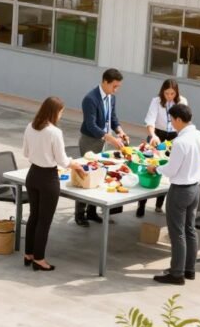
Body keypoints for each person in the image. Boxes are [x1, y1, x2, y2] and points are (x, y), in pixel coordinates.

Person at [22, 97, 86, 272]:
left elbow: (26, 153)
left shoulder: (30, 126)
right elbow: (62, 160)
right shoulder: (54, 132)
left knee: (34, 216)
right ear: (54, 112)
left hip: (32, 175)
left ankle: (28, 254)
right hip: (48, 179)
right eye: (61, 112)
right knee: (44, 221)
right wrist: (76, 165)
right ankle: (39, 259)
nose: (61, 115)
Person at [148, 104, 200, 285]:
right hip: (195, 188)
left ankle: (176, 274)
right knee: (190, 229)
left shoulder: (180, 142)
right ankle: (189, 270)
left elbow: (171, 170)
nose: (171, 123)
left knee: (177, 233)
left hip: (180, 190)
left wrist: (155, 168)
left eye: (172, 120)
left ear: (179, 120)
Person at [76, 68, 129, 227]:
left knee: (99, 175)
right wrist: (110, 138)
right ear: (105, 82)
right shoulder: (90, 99)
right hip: (90, 141)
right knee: (86, 175)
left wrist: (120, 131)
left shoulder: (111, 97)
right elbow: (91, 125)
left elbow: (113, 118)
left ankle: (92, 212)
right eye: (114, 86)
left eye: (118, 86)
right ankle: (80, 214)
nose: (116, 90)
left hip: (104, 140)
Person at [137, 79, 187, 217]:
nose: (169, 96)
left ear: (176, 92)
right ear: (162, 92)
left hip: (174, 136)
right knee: (149, 166)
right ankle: (141, 204)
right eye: (167, 93)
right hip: (157, 135)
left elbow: (184, 122)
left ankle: (159, 204)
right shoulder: (156, 101)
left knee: (167, 168)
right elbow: (150, 121)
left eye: (172, 93)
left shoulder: (182, 101)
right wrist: (153, 135)